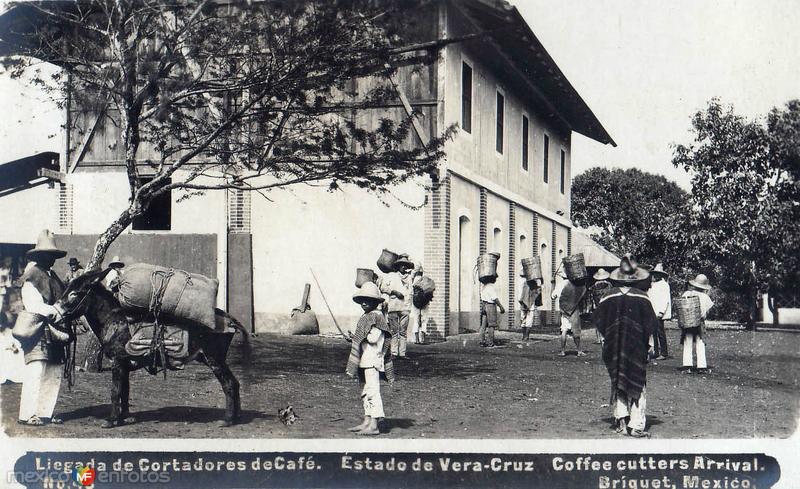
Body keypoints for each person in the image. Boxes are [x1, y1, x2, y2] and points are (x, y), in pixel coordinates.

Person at [594, 254, 658, 437]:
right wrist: (650, 346)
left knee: (617, 380)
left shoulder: (607, 296)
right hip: (636, 346)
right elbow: (650, 325)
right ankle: (636, 425)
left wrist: (607, 339)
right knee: (638, 381)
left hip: (613, 345)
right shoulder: (642, 297)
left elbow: (599, 321)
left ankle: (621, 421)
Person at [17, 229, 69, 426]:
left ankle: (44, 412)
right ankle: (27, 414)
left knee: (53, 372)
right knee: (36, 370)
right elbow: (34, 305)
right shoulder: (32, 276)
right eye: (48, 254)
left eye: (53, 255)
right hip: (37, 329)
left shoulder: (53, 276)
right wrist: (57, 310)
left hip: (54, 330)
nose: (51, 258)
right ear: (40, 255)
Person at [345, 281, 394, 435]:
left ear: (375, 301)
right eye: (362, 300)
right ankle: (367, 420)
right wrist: (355, 337)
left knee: (373, 390)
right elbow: (364, 336)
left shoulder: (378, 317)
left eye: (368, 300)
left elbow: (373, 338)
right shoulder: (367, 316)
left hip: (373, 360)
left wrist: (359, 337)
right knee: (365, 390)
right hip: (364, 360)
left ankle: (374, 425)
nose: (364, 303)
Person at [378, 254, 413, 358]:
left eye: (406, 265)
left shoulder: (410, 278)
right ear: (398, 266)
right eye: (402, 265)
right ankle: (394, 353)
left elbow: (411, 291)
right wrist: (394, 292)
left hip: (405, 307)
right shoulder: (392, 276)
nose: (404, 267)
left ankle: (402, 353)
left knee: (403, 332)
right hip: (393, 306)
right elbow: (383, 288)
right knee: (394, 332)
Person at [679, 274, 714, 375]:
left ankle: (687, 366)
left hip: (687, 321)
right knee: (700, 342)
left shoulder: (686, 293)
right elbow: (706, 312)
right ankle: (701, 366)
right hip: (699, 322)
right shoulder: (705, 297)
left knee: (687, 341)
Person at [552, 268, 589, 357]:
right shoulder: (575, 285)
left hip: (564, 310)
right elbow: (582, 293)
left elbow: (553, 296)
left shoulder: (559, 285)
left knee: (564, 329)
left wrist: (553, 285)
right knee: (575, 329)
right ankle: (579, 351)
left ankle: (562, 351)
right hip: (574, 309)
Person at [647, 263, 672, 360]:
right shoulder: (653, 285)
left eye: (658, 274)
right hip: (652, 311)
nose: (656, 276)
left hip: (659, 312)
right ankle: (656, 352)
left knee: (660, 332)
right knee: (653, 333)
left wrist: (661, 311)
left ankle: (664, 353)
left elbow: (665, 299)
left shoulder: (664, 285)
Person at [479, 271, 505, 348]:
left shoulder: (483, 286)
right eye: (495, 278)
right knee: (491, 325)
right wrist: (500, 306)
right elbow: (494, 298)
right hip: (490, 306)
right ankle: (490, 342)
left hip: (484, 305)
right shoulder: (491, 287)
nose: (495, 280)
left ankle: (482, 341)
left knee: (483, 325)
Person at [518, 263, 543, 342]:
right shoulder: (523, 281)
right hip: (524, 302)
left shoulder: (531, 281)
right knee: (525, 319)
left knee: (526, 319)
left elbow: (538, 289)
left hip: (529, 303)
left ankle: (526, 336)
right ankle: (525, 336)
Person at [589, 269, 612, 344]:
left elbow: (590, 293)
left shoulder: (594, 286)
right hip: (607, 305)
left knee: (597, 323)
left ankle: (598, 339)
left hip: (597, 306)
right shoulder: (609, 285)